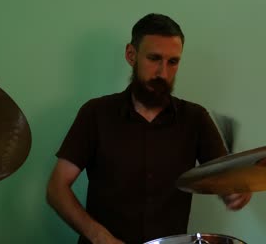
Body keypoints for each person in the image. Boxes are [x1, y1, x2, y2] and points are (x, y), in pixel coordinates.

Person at [46, 13, 252, 244]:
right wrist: (98, 235)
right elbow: (57, 188)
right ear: (131, 55)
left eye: (173, 62)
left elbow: (225, 182)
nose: (163, 73)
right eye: (154, 58)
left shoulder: (195, 118)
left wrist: (235, 193)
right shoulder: (95, 113)